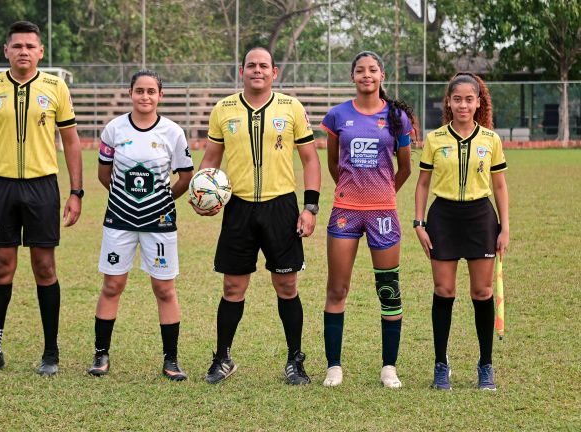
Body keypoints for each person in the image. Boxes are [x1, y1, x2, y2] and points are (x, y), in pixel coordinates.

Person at [192, 47, 321, 385]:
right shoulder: (224, 109)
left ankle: (295, 360)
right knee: (233, 286)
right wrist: (202, 193)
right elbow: (210, 159)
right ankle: (222, 358)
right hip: (239, 208)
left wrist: (310, 207)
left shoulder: (291, 107)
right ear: (242, 70)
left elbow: (310, 159)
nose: (257, 70)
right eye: (251, 65)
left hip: (281, 207)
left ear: (274, 72)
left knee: (287, 285)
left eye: (264, 66)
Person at [0, 21, 83, 376]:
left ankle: (50, 352)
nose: (24, 52)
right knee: (1, 266)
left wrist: (76, 192)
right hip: (1, 187)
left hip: (42, 187)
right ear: (6, 51)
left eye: (31, 46)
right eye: (17, 46)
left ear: (41, 52)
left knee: (44, 267)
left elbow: (72, 141)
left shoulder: (55, 87)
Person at [87, 70, 194, 381]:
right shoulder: (114, 129)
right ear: (130, 93)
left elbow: (185, 177)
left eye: (151, 91)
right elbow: (103, 175)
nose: (145, 96)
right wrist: (125, 200)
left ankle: (171, 359)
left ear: (160, 95)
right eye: (139, 91)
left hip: (159, 223)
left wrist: (163, 200)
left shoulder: (173, 133)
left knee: (164, 288)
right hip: (119, 220)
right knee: (112, 285)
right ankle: (101, 353)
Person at [321, 51, 414, 388]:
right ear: (352, 77)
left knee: (388, 289)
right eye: (360, 70)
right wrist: (351, 190)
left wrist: (384, 193)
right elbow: (333, 165)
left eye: (372, 70)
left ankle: (389, 367)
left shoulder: (397, 117)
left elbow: (404, 167)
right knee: (337, 288)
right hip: (346, 210)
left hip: (383, 212)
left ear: (382, 75)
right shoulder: (337, 116)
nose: (366, 75)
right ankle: (334, 366)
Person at [414, 72, 509, 391]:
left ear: (478, 102)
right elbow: (423, 183)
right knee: (444, 291)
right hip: (443, 217)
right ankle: (441, 366)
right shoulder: (435, 138)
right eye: (457, 99)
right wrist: (419, 222)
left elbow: (499, 185)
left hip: (480, 217)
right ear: (449, 102)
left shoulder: (491, 139)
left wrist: (504, 227)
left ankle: (486, 366)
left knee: (482, 292)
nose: (463, 105)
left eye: (470, 99)